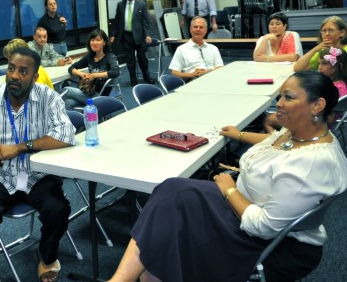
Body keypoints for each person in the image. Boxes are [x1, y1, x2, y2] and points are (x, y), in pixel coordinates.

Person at [108, 71, 347, 282]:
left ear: (317, 106)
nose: (279, 103)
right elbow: (272, 141)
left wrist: (229, 189)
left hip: (275, 245)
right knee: (171, 190)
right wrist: (239, 135)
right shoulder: (298, 133)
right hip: (249, 208)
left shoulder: (312, 163)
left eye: (288, 97)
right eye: (281, 95)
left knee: (171, 215)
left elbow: (263, 227)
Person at [0, 47, 75, 282]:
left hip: (36, 173)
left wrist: (20, 147)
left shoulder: (48, 97)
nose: (14, 76)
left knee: (58, 209)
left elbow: (65, 134)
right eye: (11, 69)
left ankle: (46, 256)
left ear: (34, 77)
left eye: (23, 71)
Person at [265, 46, 347, 133]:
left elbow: (317, 110)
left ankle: (279, 141)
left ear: (339, 66)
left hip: (315, 123)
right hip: (329, 122)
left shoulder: (332, 87)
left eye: (324, 64)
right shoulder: (339, 83)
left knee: (268, 120)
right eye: (319, 63)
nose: (320, 67)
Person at [61, 28, 120, 109]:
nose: (95, 43)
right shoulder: (89, 57)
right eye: (92, 40)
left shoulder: (110, 57)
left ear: (104, 43)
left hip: (100, 96)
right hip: (88, 93)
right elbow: (71, 68)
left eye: (98, 40)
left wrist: (94, 75)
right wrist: (82, 74)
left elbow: (115, 72)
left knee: (66, 90)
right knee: (67, 103)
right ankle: (83, 120)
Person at [109, 0, 153, 85]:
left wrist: (148, 35)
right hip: (126, 36)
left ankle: (147, 77)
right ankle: (133, 80)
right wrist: (113, 35)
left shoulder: (141, 4)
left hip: (140, 37)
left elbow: (145, 21)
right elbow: (116, 21)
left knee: (142, 59)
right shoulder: (120, 5)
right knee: (130, 60)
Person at [168, 16, 224, 81]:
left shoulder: (213, 48)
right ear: (190, 29)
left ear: (206, 30)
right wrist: (191, 75)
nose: (198, 29)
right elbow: (174, 73)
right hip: (192, 81)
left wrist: (208, 72)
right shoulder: (181, 49)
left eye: (201, 27)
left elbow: (220, 67)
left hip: (213, 80)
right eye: (195, 27)